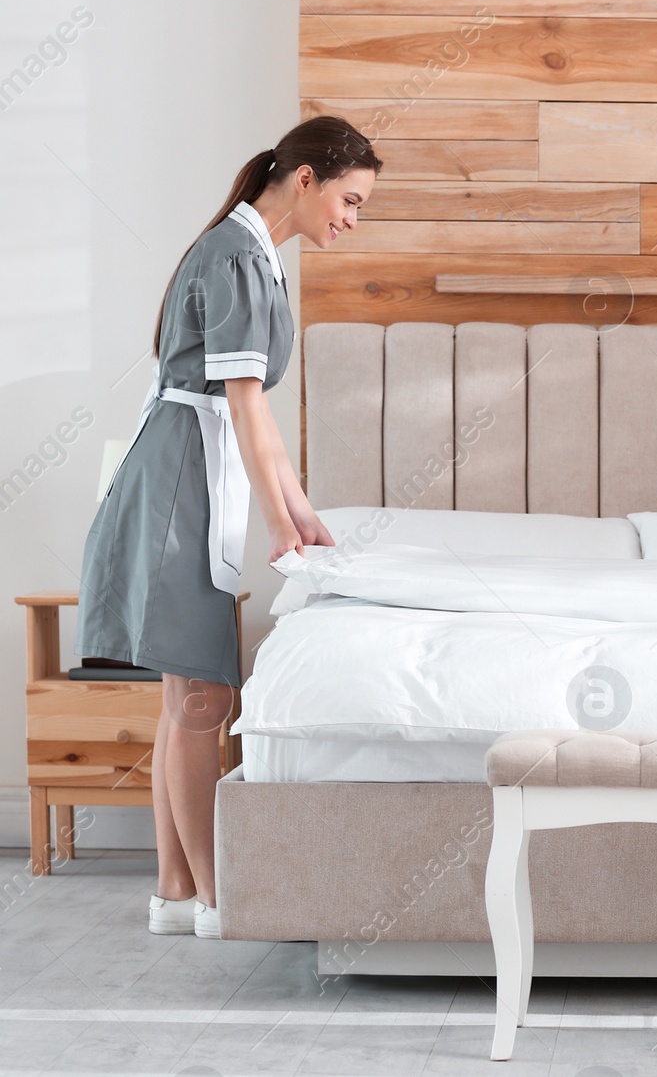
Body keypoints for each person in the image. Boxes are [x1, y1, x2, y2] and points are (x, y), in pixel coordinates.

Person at [74, 116, 381, 938]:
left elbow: (258, 413)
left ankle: (177, 891)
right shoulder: (238, 258)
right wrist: (283, 525)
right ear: (307, 179)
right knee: (203, 696)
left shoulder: (252, 257)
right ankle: (217, 896)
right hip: (176, 483)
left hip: (184, 473)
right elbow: (243, 409)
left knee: (188, 697)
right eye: (350, 200)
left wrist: (304, 514)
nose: (352, 219)